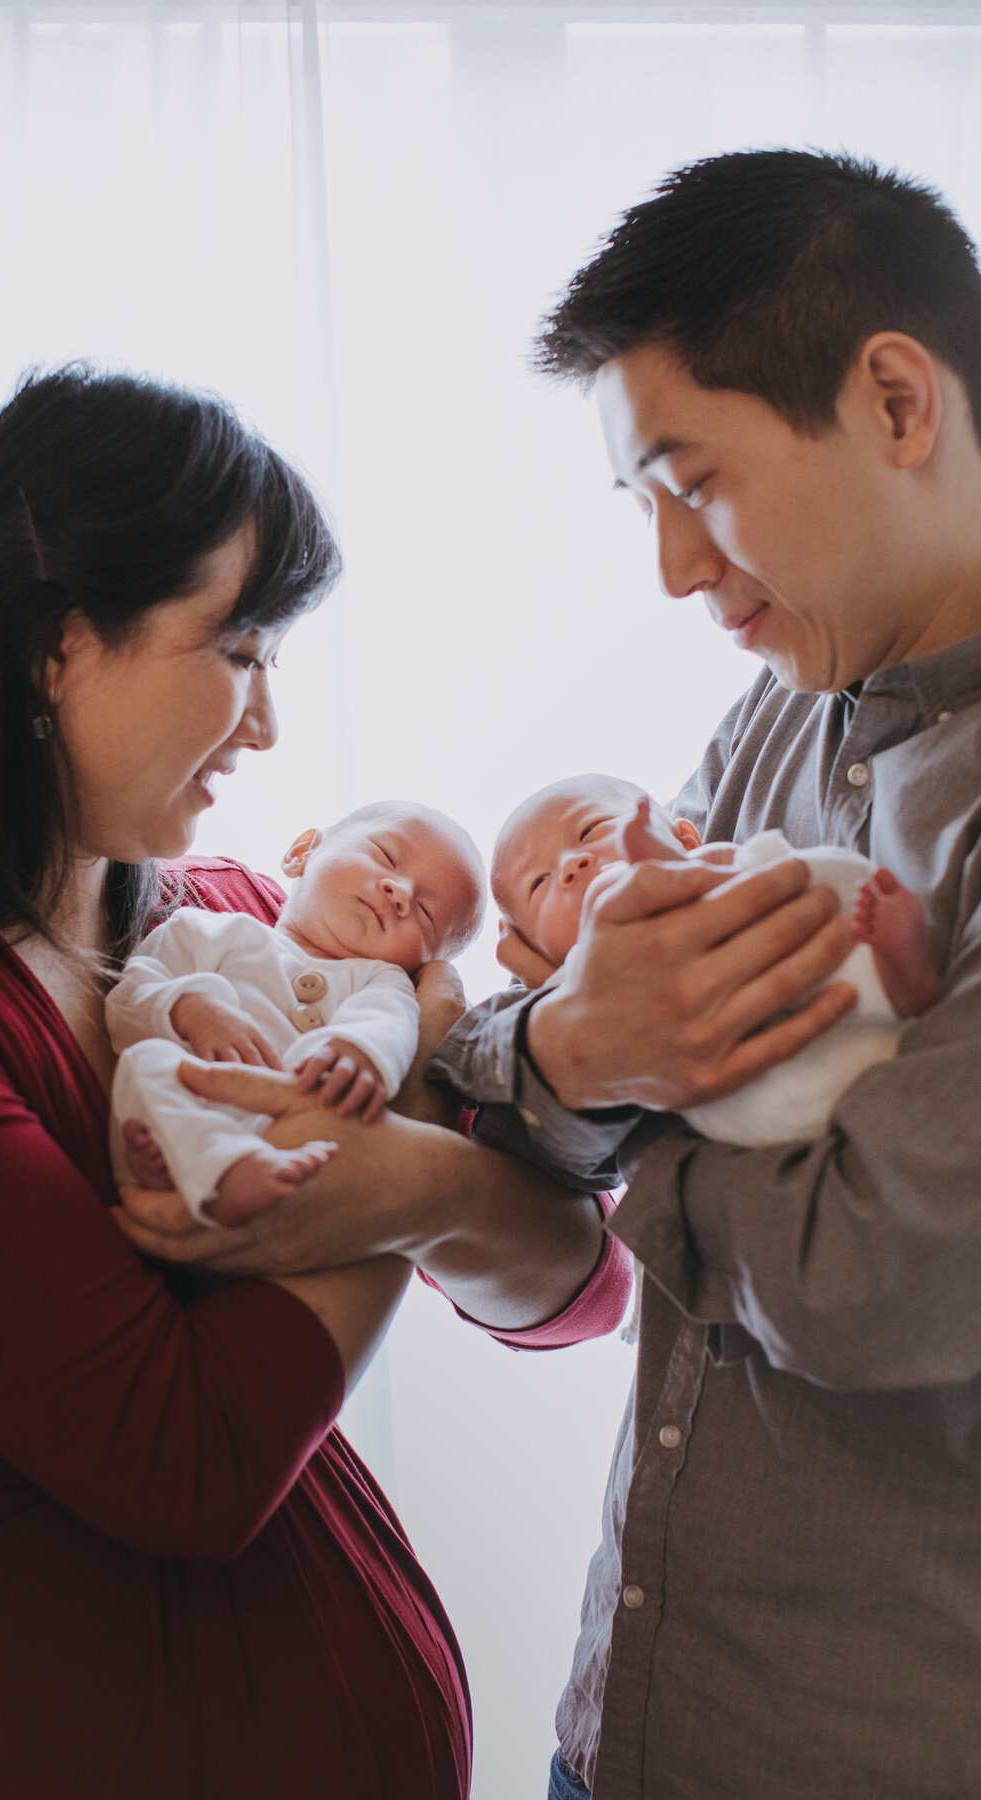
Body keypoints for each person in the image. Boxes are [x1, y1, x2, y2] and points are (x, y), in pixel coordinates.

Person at [0, 367, 630, 1799]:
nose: (269, 727)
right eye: (239, 649)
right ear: (58, 646)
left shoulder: (247, 926)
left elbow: (586, 1289)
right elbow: (189, 1462)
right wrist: (420, 1133)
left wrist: (413, 1179)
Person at [423, 149, 981, 1799]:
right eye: (641, 501)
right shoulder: (780, 716)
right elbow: (540, 1070)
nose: (673, 567)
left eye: (696, 479)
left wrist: (613, 1096)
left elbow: (871, 1281)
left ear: (895, 399)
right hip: (629, 1714)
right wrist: (581, 1050)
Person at [483, 772, 939, 1147]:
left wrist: (660, 864)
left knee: (802, 909)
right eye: (539, 884)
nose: (571, 865)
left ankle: (898, 970)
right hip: (757, 1105)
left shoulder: (705, 868)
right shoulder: (574, 987)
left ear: (685, 836)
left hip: (831, 1003)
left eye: (591, 831)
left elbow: (713, 876)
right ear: (535, 953)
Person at [107, 801, 486, 1223]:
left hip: (297, 1155)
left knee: (351, 1130)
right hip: (186, 1118)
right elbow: (128, 1002)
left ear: (423, 964)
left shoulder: (382, 983)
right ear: (302, 852)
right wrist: (191, 1008)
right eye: (385, 856)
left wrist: (359, 1051)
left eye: (426, 914)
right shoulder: (205, 931)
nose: (401, 892)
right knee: (149, 1061)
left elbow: (388, 1026)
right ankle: (209, 1163)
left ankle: (225, 1175)